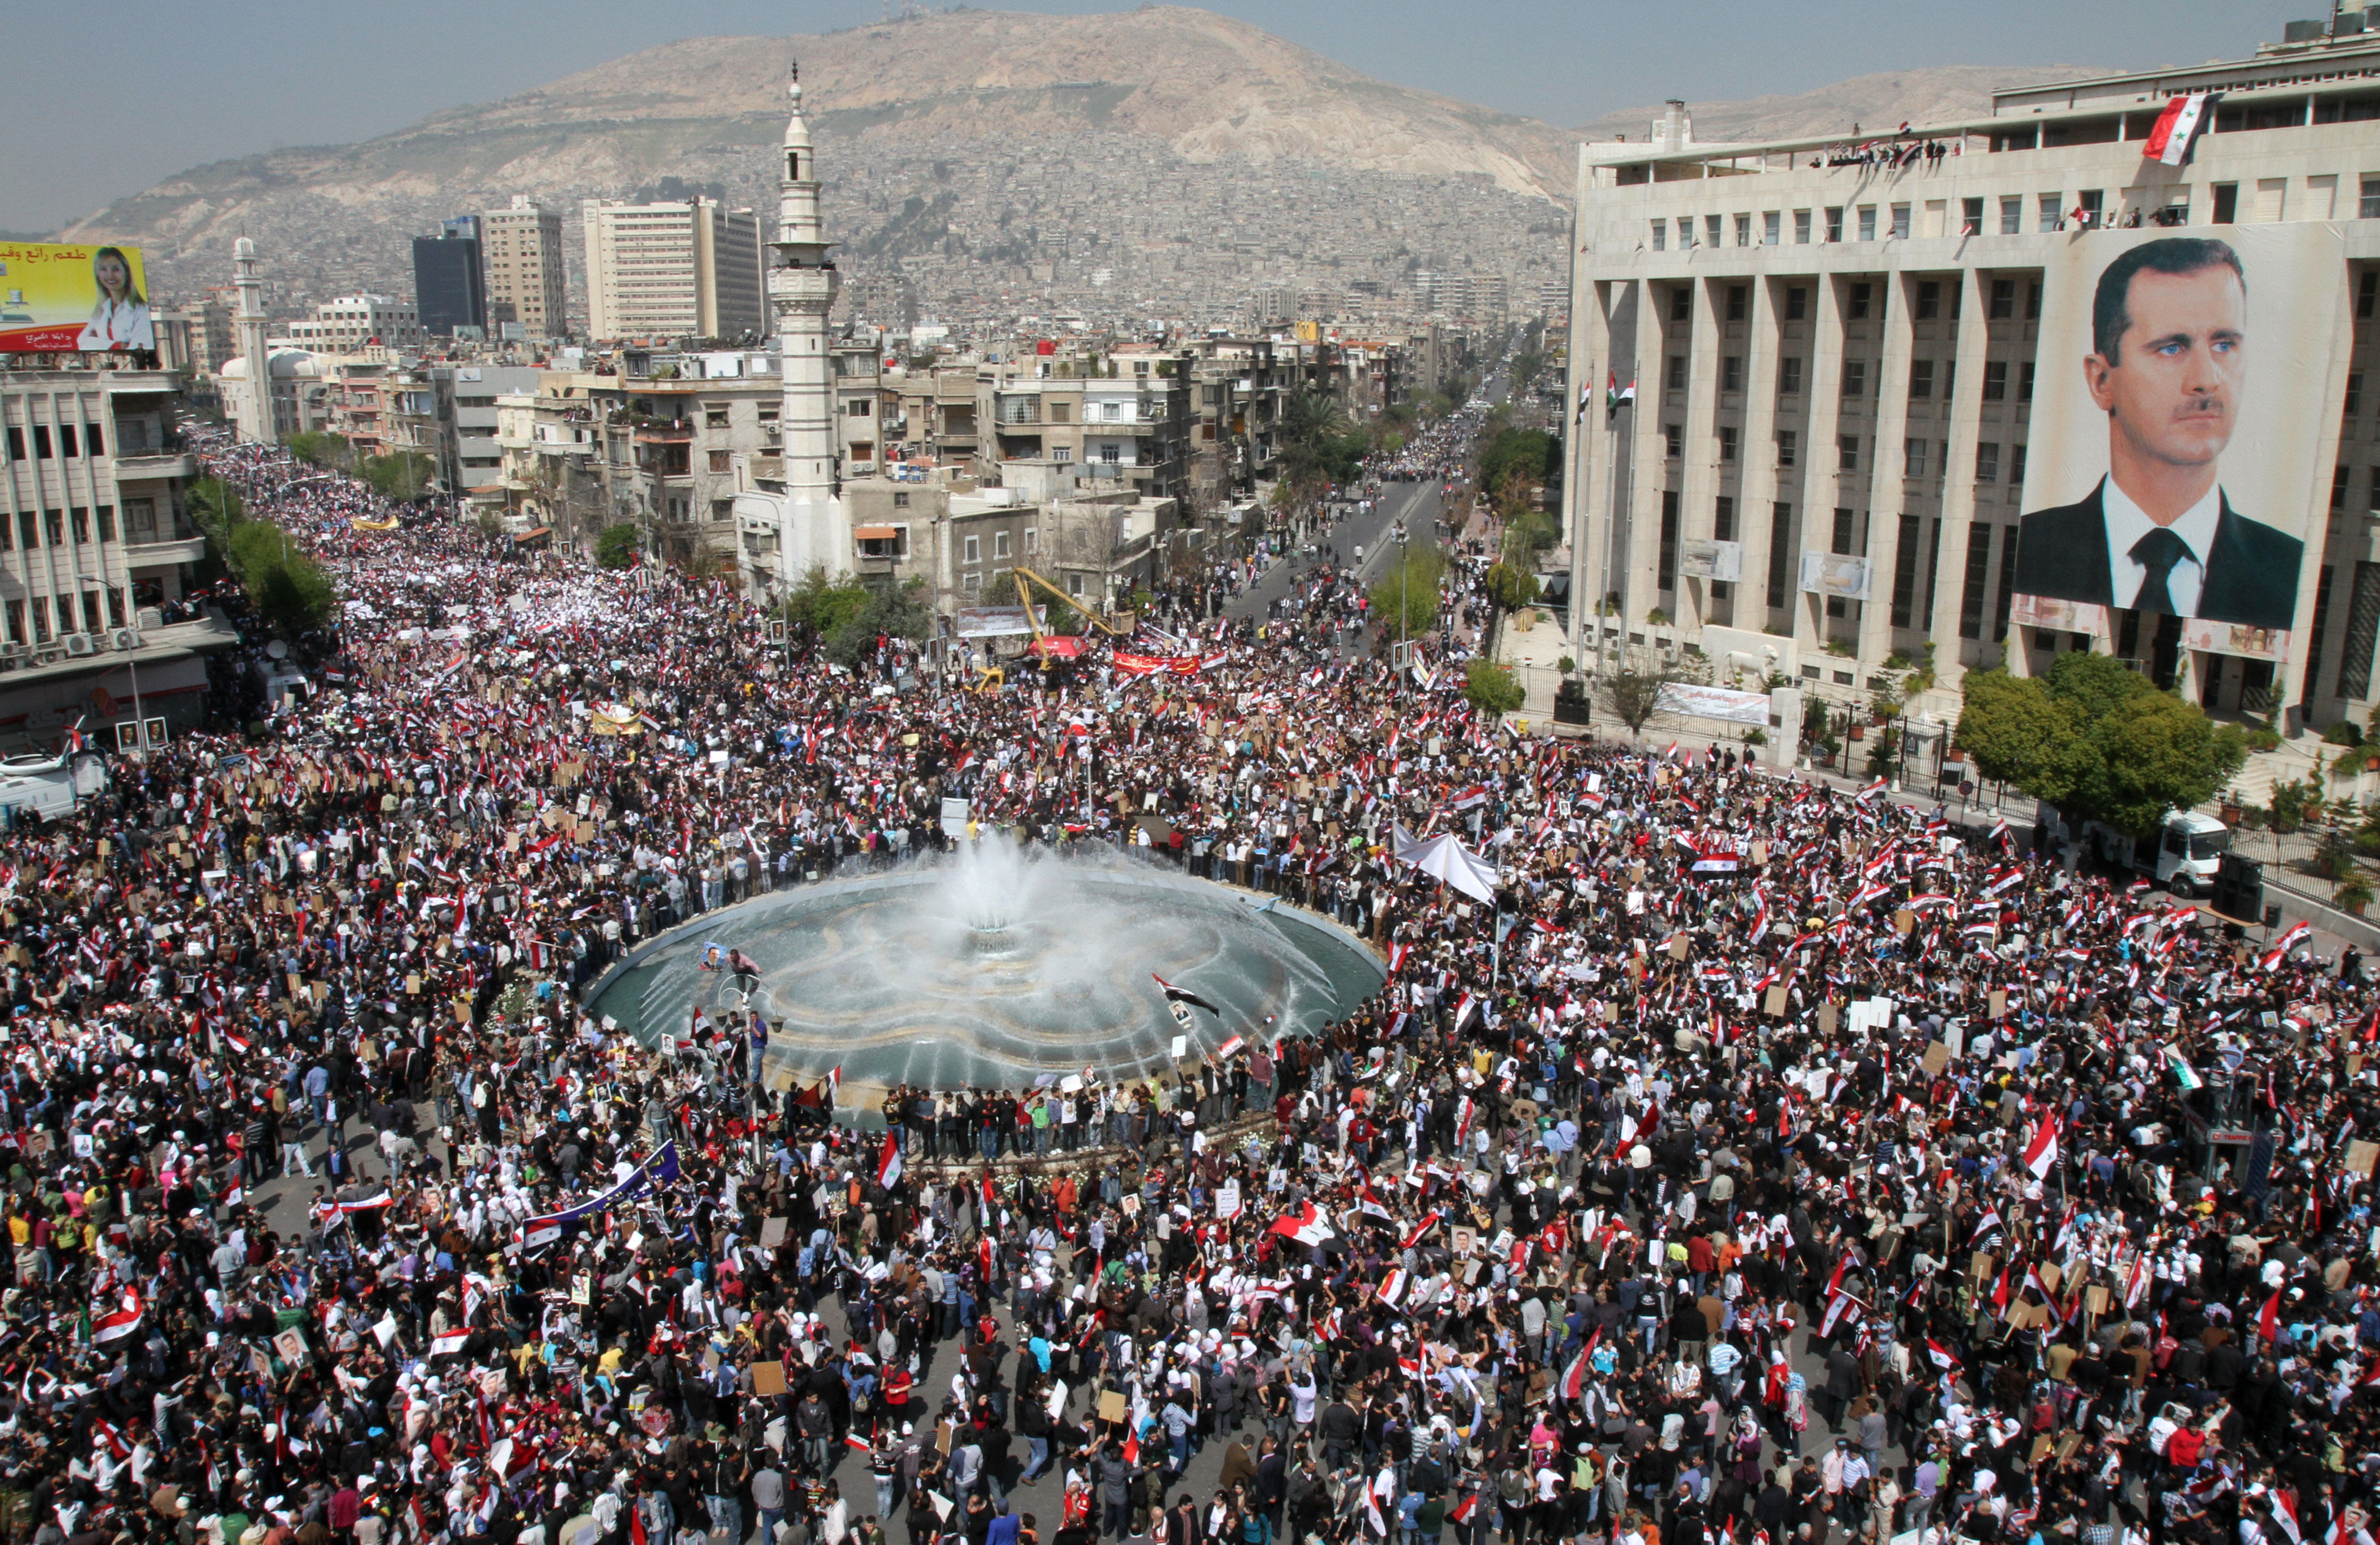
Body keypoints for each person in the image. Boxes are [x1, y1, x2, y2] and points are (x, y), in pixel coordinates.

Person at [2012, 235, 2301, 631]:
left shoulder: (2288, 570)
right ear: (2101, 380)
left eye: (2224, 344)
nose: (2206, 380)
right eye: (2171, 348)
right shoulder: (2031, 549)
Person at [76, 245, 153, 351]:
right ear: (98, 275)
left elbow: (139, 347)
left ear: (126, 272)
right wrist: (117, 346)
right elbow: (82, 342)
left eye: (116, 269)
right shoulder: (101, 310)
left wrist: (98, 342)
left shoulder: (141, 310)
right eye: (103, 269)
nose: (110, 275)